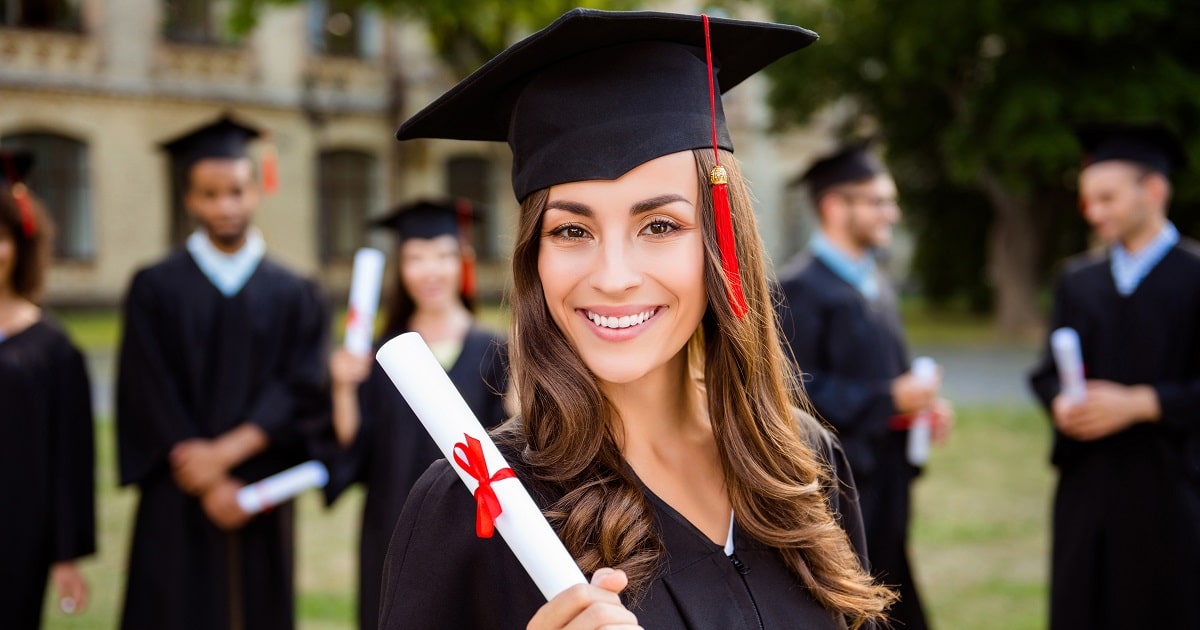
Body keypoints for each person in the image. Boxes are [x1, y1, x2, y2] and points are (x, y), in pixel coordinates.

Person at [378, 9, 898, 629]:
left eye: (660, 226)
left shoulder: (803, 468)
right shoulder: (480, 505)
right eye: (572, 230)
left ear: (720, 241)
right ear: (534, 260)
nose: (614, 275)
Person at [115, 114, 329, 630]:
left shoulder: (295, 291)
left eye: (235, 191)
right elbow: (148, 387)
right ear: (189, 200)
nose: (225, 206)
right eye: (209, 195)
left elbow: (303, 385)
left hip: (259, 486)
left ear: (255, 190)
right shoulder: (154, 287)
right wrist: (206, 478)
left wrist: (226, 455)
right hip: (179, 486)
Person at [774, 142, 952, 629]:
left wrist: (919, 408)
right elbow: (792, 390)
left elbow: (885, 373)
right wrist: (889, 399)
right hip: (842, 485)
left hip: (889, 476)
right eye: (878, 201)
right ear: (835, 206)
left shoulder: (874, 281)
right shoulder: (797, 289)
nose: (891, 213)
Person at [1028, 123, 1200, 629]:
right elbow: (1045, 375)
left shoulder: (1194, 277)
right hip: (1090, 488)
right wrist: (1061, 400)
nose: (1095, 212)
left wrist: (1143, 404)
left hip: (1171, 487)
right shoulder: (1079, 280)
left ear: (1154, 190)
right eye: (1088, 201)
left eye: (1107, 197)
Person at [325, 199, 510, 630]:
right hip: (393, 520)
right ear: (400, 269)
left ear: (462, 261)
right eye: (415, 258)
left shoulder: (496, 350)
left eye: (443, 256)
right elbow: (355, 446)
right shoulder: (380, 354)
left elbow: (514, 438)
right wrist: (341, 387)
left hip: (472, 527)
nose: (430, 271)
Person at [0, 149, 95, 628]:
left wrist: (65, 555)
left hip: (17, 536)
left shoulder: (54, 349)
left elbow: (69, 460)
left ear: (22, 242)